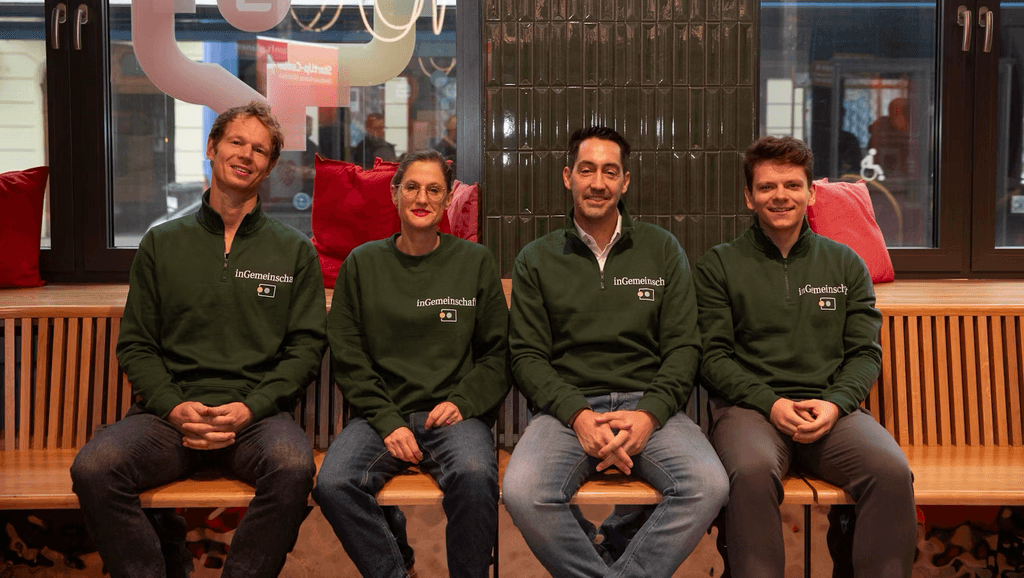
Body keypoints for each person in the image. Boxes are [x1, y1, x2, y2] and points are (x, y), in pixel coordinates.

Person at [70, 101, 328, 578]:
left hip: (255, 419)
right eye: (236, 142)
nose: (246, 155)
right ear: (212, 148)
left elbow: (305, 349)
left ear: (270, 166)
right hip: (168, 418)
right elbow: (137, 344)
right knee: (95, 468)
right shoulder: (161, 243)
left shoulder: (293, 251)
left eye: (259, 150)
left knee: (293, 467)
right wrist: (173, 406)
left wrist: (251, 407)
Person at [502, 126, 729, 578]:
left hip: (648, 407)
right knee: (523, 491)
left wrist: (649, 415)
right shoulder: (536, 258)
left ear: (625, 181)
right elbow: (526, 356)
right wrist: (578, 416)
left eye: (610, 172)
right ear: (568, 176)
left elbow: (684, 347)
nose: (598, 183)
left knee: (708, 485)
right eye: (587, 170)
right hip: (567, 413)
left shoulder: (662, 249)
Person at [694, 135, 916, 578]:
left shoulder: (845, 264)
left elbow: (864, 354)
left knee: (891, 472)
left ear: (811, 193)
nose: (780, 196)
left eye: (792, 185)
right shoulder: (718, 265)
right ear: (749, 197)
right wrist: (771, 403)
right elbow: (713, 358)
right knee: (751, 472)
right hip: (751, 412)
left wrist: (835, 404)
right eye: (767, 186)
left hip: (832, 411)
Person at [313, 149, 510, 578]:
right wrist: (387, 421)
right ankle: (397, 568)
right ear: (394, 193)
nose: (422, 198)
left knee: (475, 477)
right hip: (380, 415)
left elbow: (497, 354)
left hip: (453, 417)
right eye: (412, 188)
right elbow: (349, 357)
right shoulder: (361, 263)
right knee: (334, 484)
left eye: (434, 190)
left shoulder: (475, 261)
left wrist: (462, 402)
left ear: (447, 199)